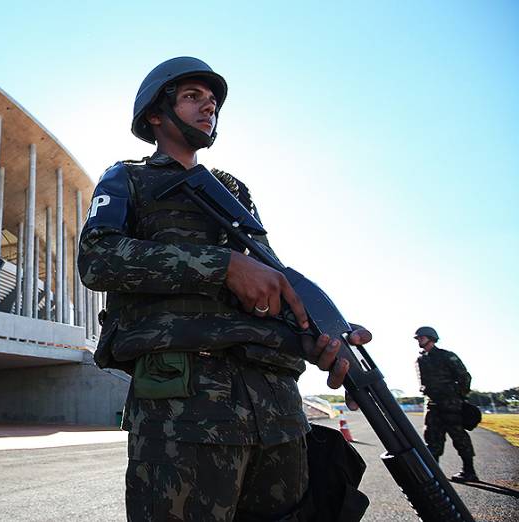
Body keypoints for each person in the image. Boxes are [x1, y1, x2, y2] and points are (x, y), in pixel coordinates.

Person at [78, 56, 373, 521]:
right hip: (188, 407)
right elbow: (97, 259)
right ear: (156, 114)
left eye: (212, 101)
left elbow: (268, 276)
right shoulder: (128, 179)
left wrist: (316, 331)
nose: (208, 107)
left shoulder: (232, 190)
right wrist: (220, 265)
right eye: (193, 97)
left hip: (276, 410)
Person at [414, 326, 476, 482]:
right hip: (432, 404)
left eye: (421, 337)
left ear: (431, 338)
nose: (419, 340)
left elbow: (465, 377)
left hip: (450, 404)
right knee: (432, 438)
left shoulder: (447, 356)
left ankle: (469, 471)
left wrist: (458, 396)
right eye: (418, 338)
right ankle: (434, 474)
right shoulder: (421, 359)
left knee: (459, 436)